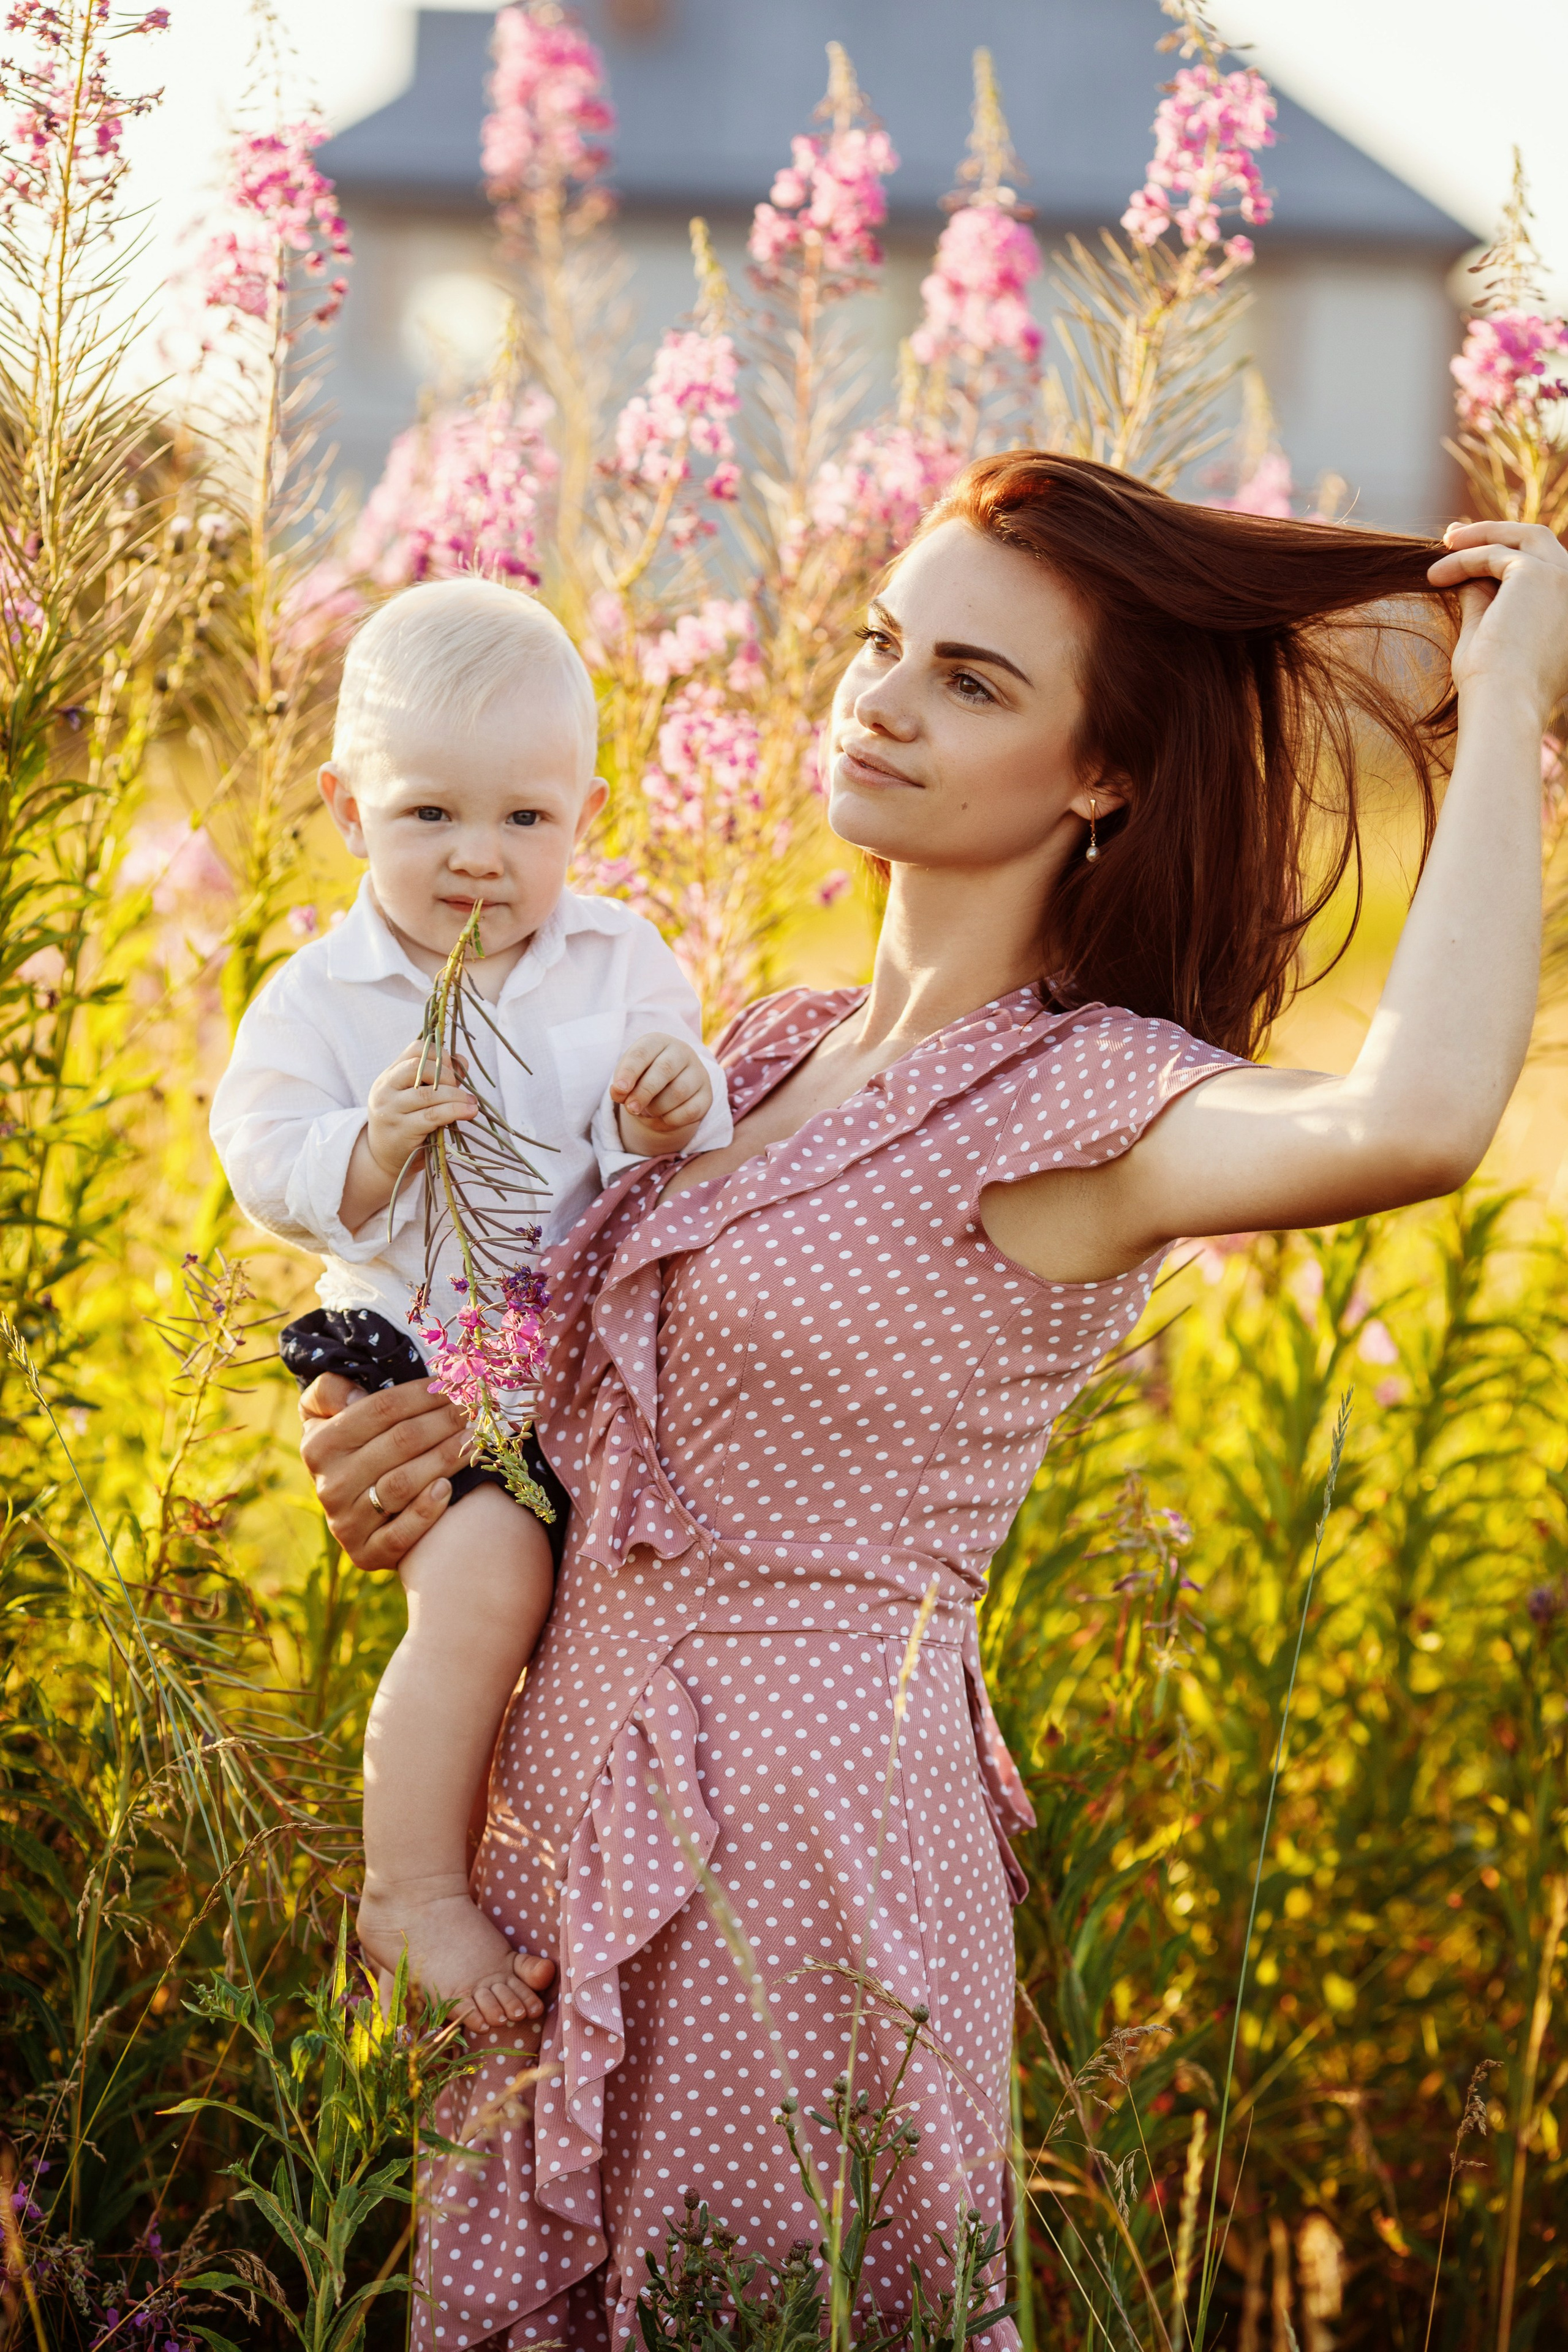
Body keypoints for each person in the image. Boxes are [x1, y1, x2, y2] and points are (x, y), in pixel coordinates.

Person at [298, 458, 1568, 2352]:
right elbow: (559, 1426)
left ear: (1101, 775)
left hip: (804, 1862)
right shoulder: (758, 1050)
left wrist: (1515, 698)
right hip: (555, 1826)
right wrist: (412, 1461)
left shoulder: (1080, 1099)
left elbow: (1419, 1121)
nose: (881, 700)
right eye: (886, 641)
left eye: (971, 681)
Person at [211, 577, 733, 2028]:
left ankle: (570, 1870)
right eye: (428, 812)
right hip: (415, 1354)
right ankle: (412, 1891)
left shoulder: (619, 959)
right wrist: (368, 1146)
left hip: (568, 1358)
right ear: (345, 807)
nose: (477, 857)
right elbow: (260, 1158)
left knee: (601, 1602)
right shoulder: (320, 995)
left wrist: (672, 1099)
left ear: (586, 816)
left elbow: (668, 1133)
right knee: (489, 1581)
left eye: (524, 818)